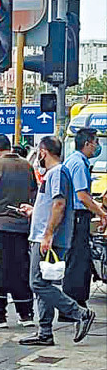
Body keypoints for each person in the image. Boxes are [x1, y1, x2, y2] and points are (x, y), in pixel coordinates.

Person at [18, 136, 96, 345]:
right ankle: (44, 332)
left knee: (37, 283)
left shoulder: (58, 172)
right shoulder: (54, 174)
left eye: (38, 152)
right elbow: (51, 205)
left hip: (48, 239)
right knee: (43, 284)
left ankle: (80, 313)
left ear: (43, 152)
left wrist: (48, 234)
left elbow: (59, 205)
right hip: (44, 235)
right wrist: (34, 211)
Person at [0, 134, 38, 328]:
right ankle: (26, 314)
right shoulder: (27, 166)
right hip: (22, 228)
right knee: (20, 270)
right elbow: (34, 195)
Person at [62, 128, 107, 313]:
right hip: (78, 217)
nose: (98, 146)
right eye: (96, 142)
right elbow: (82, 196)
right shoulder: (79, 164)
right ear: (88, 143)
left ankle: (73, 304)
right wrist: (102, 213)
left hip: (76, 217)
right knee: (78, 261)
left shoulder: (74, 160)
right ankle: (74, 306)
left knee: (77, 259)